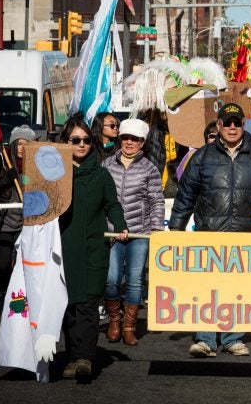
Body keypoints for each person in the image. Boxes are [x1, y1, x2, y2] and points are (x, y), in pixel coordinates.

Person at [169, 103, 251, 358]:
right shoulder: (203, 157)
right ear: (218, 126)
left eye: (237, 123)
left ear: (243, 125)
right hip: (210, 233)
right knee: (208, 288)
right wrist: (176, 227)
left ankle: (233, 338)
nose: (232, 127)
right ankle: (205, 339)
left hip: (245, 234)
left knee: (238, 289)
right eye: (227, 122)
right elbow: (186, 195)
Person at [58, 117, 127, 381]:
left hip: (94, 248)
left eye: (87, 140)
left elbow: (112, 205)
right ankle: (72, 356)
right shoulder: (56, 175)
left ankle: (85, 357)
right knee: (69, 307)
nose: (82, 144)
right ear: (66, 142)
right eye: (75, 140)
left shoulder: (101, 174)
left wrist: (120, 226)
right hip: (64, 249)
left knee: (87, 304)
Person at [101, 119, 164, 347]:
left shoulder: (150, 168)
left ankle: (129, 327)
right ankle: (114, 321)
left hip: (139, 233)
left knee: (135, 280)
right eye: (125, 138)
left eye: (134, 139)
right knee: (111, 279)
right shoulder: (107, 165)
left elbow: (157, 201)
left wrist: (157, 229)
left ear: (142, 143)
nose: (129, 142)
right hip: (111, 232)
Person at [0, 125, 38, 299]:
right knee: (3, 264)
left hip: (27, 224)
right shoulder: (2, 162)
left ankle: (21, 298)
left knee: (24, 265)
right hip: (4, 224)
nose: (22, 148)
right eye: (19, 143)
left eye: (26, 144)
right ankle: (4, 294)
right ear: (14, 144)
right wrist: (6, 179)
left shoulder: (37, 164)